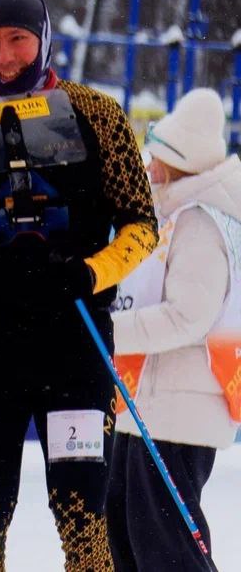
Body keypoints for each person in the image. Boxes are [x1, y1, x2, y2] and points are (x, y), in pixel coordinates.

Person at [0, 0, 157, 571]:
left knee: (82, 520)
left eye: (18, 38)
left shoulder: (98, 114)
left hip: (74, 338)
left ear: (43, 38)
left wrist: (88, 275)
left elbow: (141, 225)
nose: (6, 56)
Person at [107, 88, 241, 569]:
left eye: (156, 158)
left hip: (178, 412)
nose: (147, 167)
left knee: (163, 546)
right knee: (124, 532)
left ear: (178, 163)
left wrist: (111, 332)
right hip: (146, 403)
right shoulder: (176, 216)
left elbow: (189, 316)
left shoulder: (202, 223)